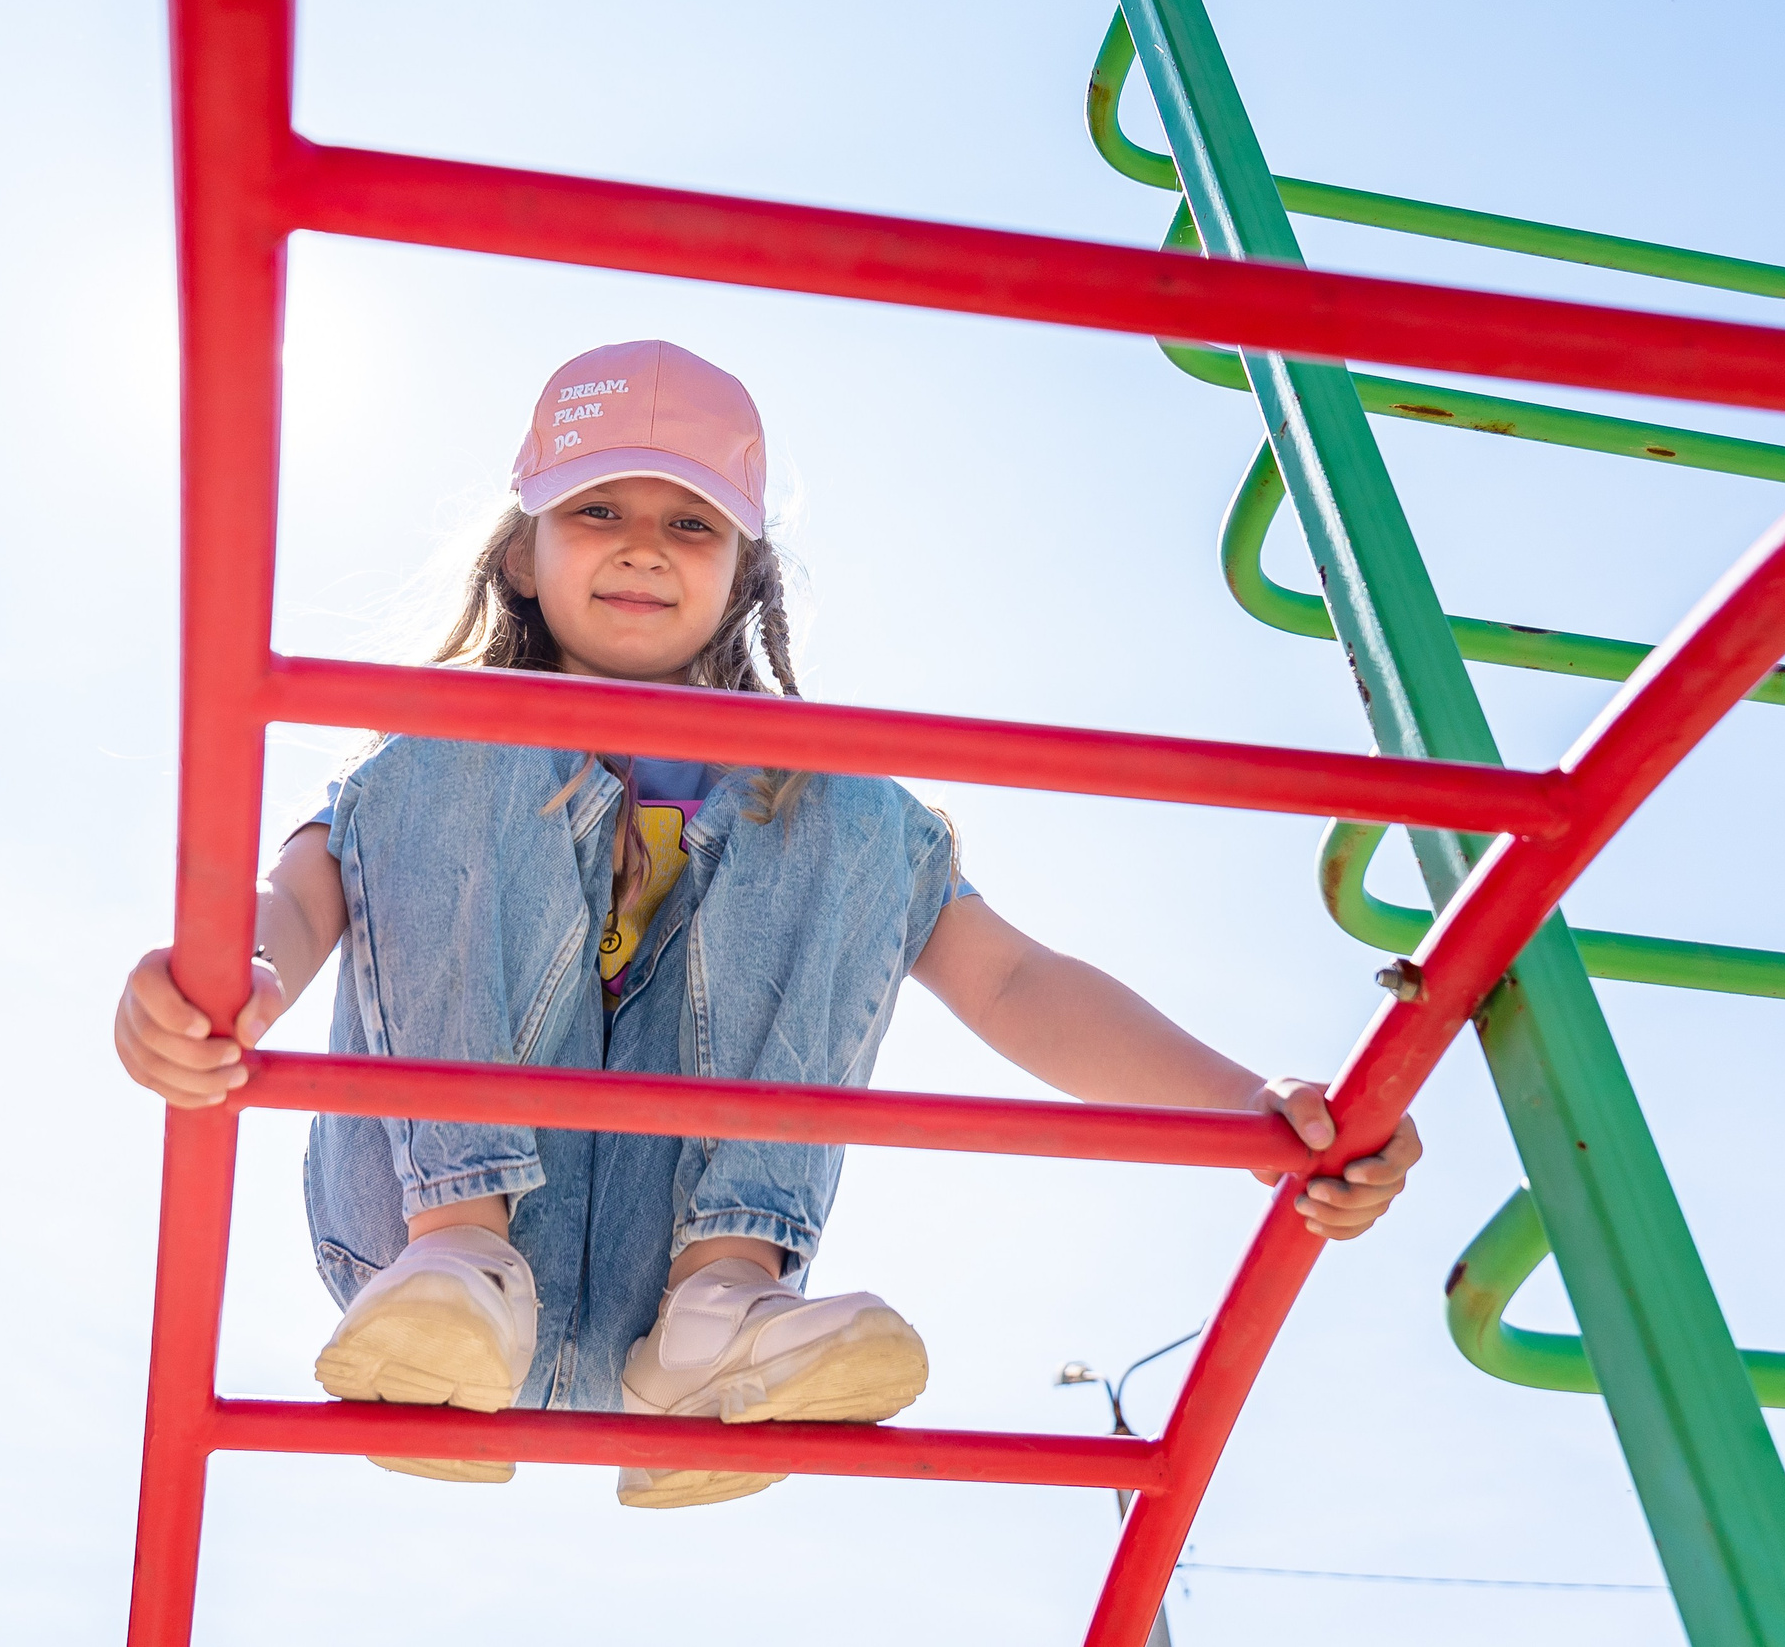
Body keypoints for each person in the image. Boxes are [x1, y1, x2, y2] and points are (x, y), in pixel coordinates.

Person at [112, 339, 1422, 1509]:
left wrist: (1248, 1108)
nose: (643, 545)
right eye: (599, 510)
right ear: (525, 549)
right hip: (419, 1238)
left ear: (741, 571)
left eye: (691, 523)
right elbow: (294, 896)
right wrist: (220, 983)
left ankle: (721, 1305)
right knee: (457, 729)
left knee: (844, 789)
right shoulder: (428, 768)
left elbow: (1014, 980)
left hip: (667, 1276)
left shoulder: (802, 803)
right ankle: (466, 1264)